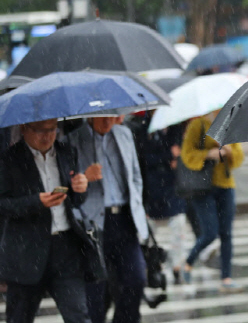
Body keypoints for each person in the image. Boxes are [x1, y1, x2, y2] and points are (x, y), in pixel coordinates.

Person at [0, 119, 90, 323]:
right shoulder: (9, 159)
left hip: (65, 247)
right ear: (24, 128)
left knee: (78, 315)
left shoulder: (67, 151)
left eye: (52, 130)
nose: (47, 136)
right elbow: (2, 205)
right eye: (40, 130)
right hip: (26, 251)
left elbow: (76, 200)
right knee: (19, 318)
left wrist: (81, 187)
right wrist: (35, 202)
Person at [65, 117, 149, 323]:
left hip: (124, 218)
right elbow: (66, 184)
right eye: (103, 116)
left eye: (113, 116)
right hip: (92, 222)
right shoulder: (72, 140)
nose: (108, 121)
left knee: (136, 279)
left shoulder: (124, 134)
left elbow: (136, 176)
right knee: (95, 288)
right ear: (90, 115)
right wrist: (85, 176)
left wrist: (136, 204)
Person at [181, 111, 244, 291]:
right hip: (203, 187)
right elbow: (187, 155)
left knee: (226, 233)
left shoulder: (229, 126)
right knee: (209, 232)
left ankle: (226, 278)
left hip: (225, 185)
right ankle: (188, 261)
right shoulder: (197, 125)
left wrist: (228, 150)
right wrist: (208, 154)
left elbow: (238, 158)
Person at [128, 114, 187, 285]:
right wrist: (168, 155)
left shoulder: (176, 125)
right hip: (151, 187)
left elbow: (181, 152)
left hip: (173, 186)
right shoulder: (143, 128)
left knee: (179, 226)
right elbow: (143, 157)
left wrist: (177, 157)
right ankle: (151, 267)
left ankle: (177, 267)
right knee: (148, 233)